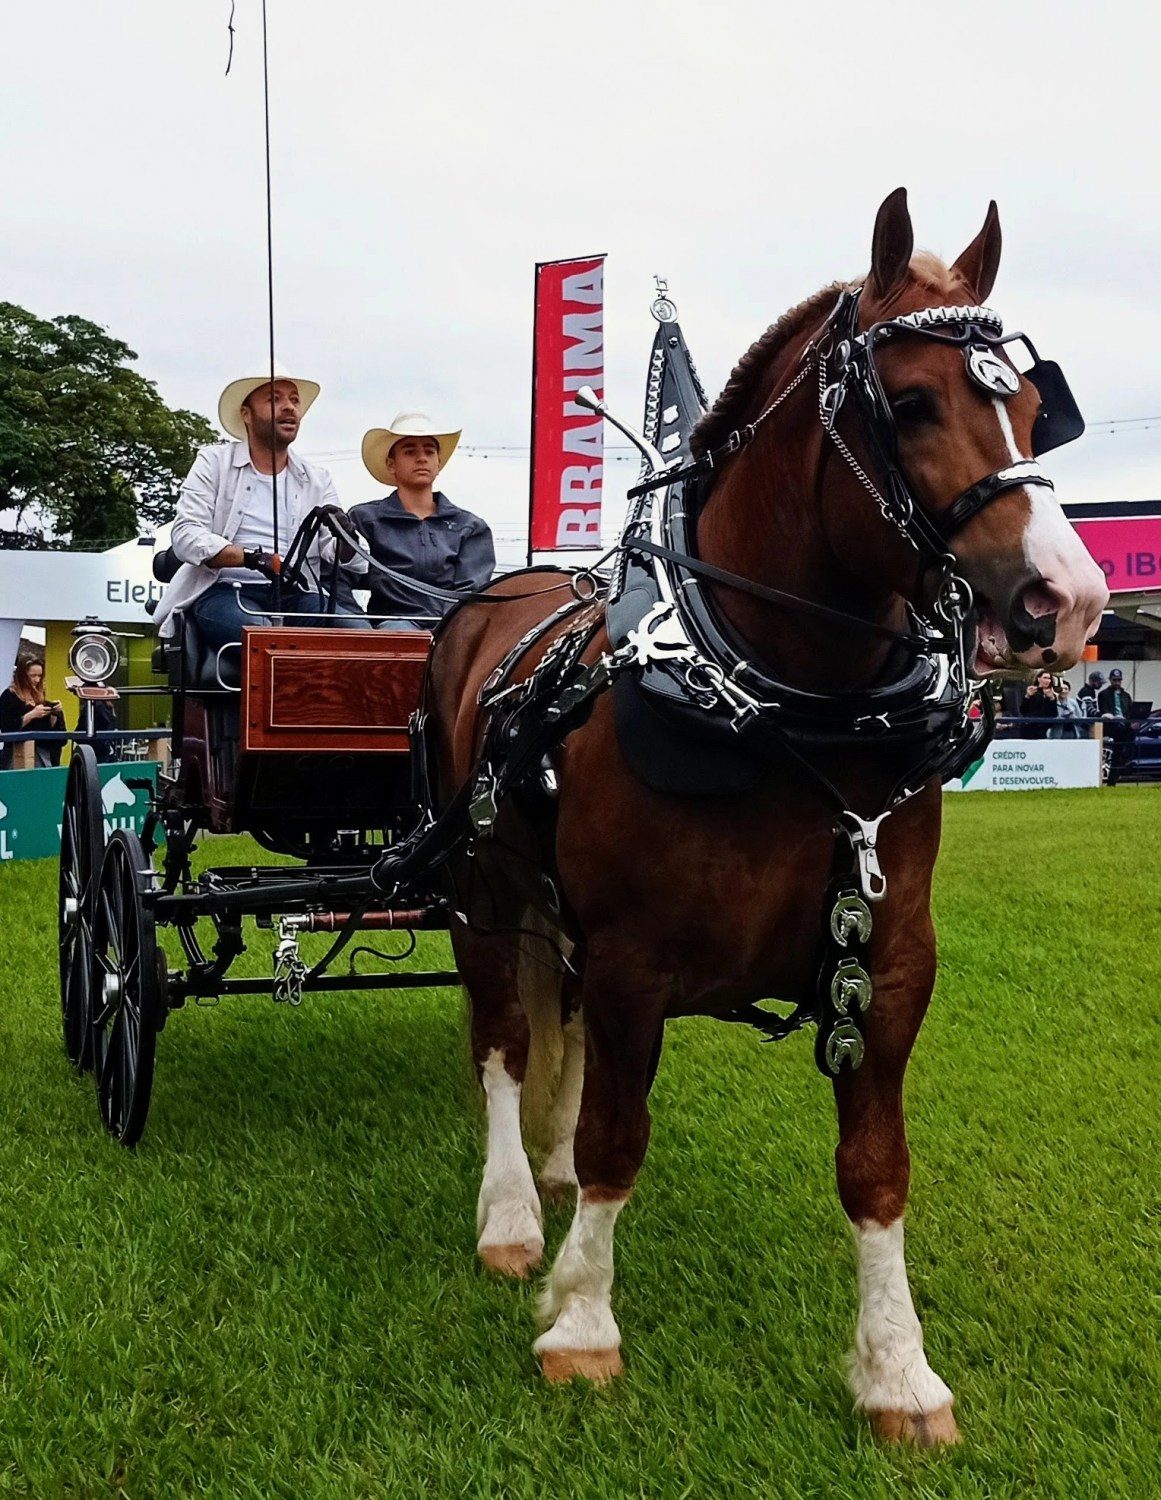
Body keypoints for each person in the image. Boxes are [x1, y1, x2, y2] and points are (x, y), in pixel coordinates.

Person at [152, 363, 368, 654]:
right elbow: (186, 534)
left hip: (299, 596)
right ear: (247, 414)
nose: (289, 407)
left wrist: (346, 534)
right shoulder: (214, 462)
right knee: (268, 639)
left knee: (364, 638)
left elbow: (346, 558)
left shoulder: (317, 479)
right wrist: (251, 558)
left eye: (294, 400)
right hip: (224, 591)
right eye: (274, 399)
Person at [341, 412, 495, 629]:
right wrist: (362, 628)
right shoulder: (365, 520)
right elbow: (338, 580)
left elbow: (471, 592)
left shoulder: (469, 527)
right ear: (391, 464)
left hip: (453, 632)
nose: (422, 458)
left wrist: (446, 630)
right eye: (410, 451)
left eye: (429, 451)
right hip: (391, 630)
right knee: (398, 631)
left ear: (438, 463)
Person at [0, 658, 65, 769]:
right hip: (17, 756)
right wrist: (31, 715)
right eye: (33, 675)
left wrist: (55, 714)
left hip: (43, 756)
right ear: (22, 675)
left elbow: (57, 736)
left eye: (40, 676)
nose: (37, 680)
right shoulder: (9, 696)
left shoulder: (39, 698)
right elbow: (6, 729)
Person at [1097, 668, 1133, 780]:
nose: (1117, 682)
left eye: (1119, 680)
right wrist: (1112, 717)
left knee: (1125, 750)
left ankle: (1118, 772)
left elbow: (1130, 711)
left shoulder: (1126, 696)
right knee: (1116, 752)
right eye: (1114, 680)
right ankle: (1112, 778)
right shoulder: (1103, 694)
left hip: (1125, 726)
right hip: (1111, 726)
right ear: (1110, 680)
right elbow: (1104, 710)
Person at [1021, 671, 1059, 739]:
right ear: (1038, 679)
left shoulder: (1051, 694)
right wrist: (1027, 696)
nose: (1047, 680)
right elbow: (1023, 710)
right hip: (1029, 727)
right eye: (1045, 678)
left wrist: (1052, 699)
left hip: (1043, 728)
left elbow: (1054, 714)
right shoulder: (1031, 691)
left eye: (1049, 678)